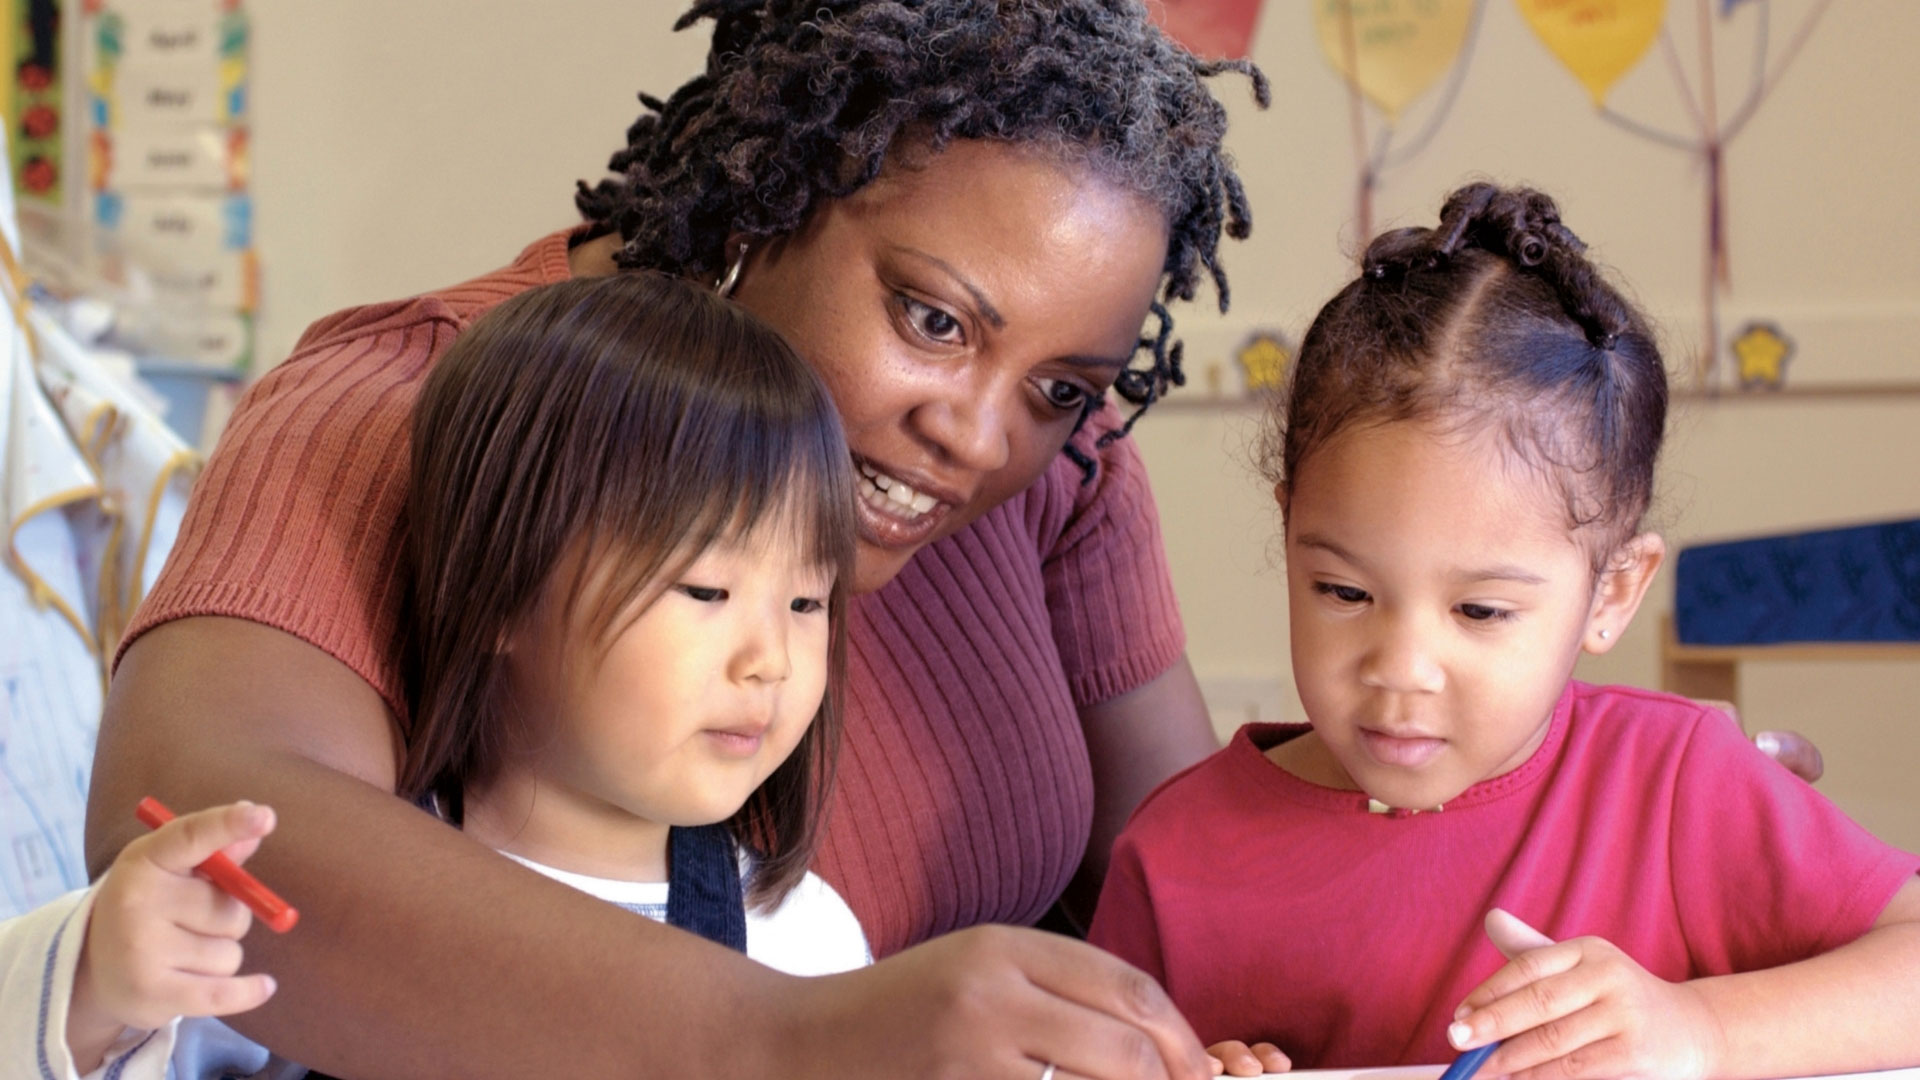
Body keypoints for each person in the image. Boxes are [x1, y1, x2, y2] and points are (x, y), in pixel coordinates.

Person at [84, 2, 1261, 1076]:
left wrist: (1421, 920)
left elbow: (1204, 896)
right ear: (773, 201)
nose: (975, 435)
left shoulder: (1066, 463)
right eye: (933, 319)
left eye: (1059, 387)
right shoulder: (416, 406)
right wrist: (783, 1038)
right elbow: (215, 830)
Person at [1087, 184, 1920, 1078]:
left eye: (1479, 611)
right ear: (1288, 534)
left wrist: (1703, 1031)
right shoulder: (1176, 856)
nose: (1401, 670)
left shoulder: (1677, 783)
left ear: (1613, 592)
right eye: (1342, 590)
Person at [8, 274, 872, 1077]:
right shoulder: (308, 895)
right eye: (707, 589)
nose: (773, 661)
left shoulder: (807, 946)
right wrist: (99, 982)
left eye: (807, 603)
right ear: (500, 585)